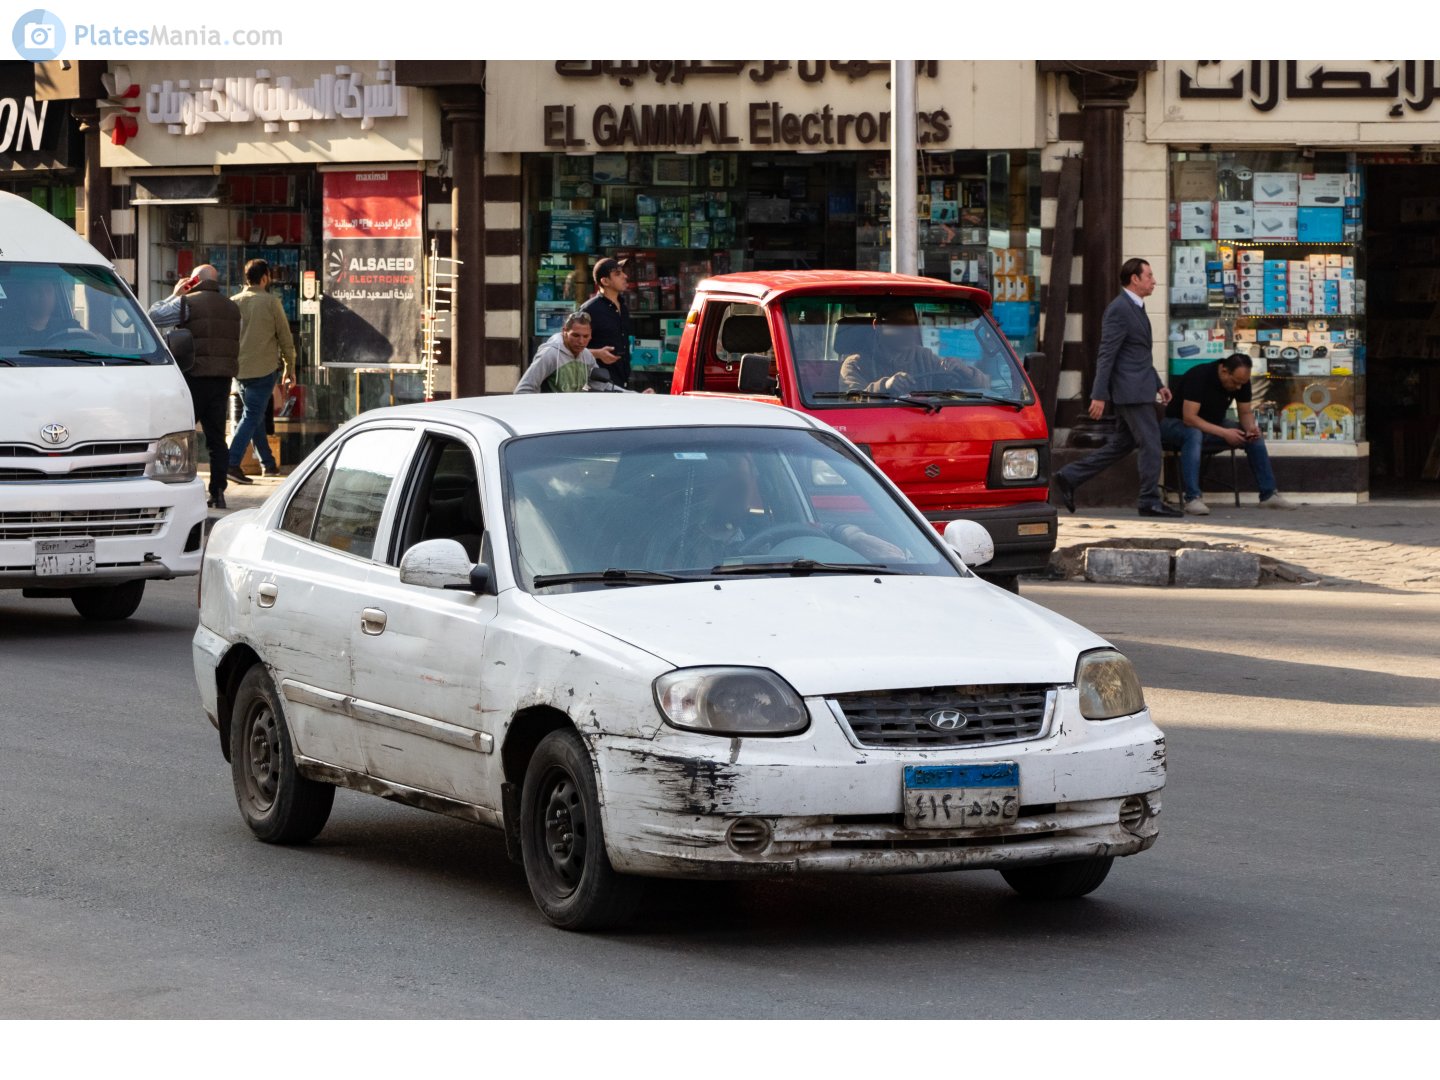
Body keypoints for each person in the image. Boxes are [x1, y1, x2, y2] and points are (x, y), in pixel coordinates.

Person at [1051, 258, 1182, 518]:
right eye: (1149, 275)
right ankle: (1148, 500)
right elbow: (1106, 354)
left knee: (1122, 444)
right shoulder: (1119, 309)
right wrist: (1098, 394)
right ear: (1135, 278)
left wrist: (1158, 384)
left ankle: (1069, 476)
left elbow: (1137, 354)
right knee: (1151, 443)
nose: (1154, 281)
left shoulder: (1137, 306)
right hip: (1130, 392)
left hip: (1140, 386)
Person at [149, 265, 241, 508]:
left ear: (194, 281)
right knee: (217, 440)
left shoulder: (188, 303)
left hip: (194, 377)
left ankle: (177, 490)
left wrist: (176, 294)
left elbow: (153, 316)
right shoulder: (232, 306)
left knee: (179, 435)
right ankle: (218, 493)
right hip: (222, 380)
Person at [1161, 353, 1297, 515]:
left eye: (1242, 384)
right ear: (1224, 371)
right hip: (1176, 424)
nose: (1238, 387)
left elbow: (1245, 413)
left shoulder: (1241, 382)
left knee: (1254, 439)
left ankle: (1268, 495)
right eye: (1235, 382)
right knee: (1193, 434)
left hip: (1214, 424)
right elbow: (1189, 419)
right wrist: (1225, 433)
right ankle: (1192, 498)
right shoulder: (1199, 376)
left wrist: (1250, 428)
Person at [225, 259, 296, 485]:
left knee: (253, 415)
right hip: (264, 369)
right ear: (265, 277)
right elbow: (285, 338)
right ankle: (231, 462)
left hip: (239, 369)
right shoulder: (271, 302)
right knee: (252, 416)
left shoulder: (233, 302)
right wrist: (289, 367)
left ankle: (268, 463)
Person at [839, 303, 990, 394]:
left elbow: (982, 388)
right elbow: (849, 402)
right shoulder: (854, 364)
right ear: (877, 326)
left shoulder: (925, 357)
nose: (908, 330)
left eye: (912, 324)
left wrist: (965, 371)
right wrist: (885, 386)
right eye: (899, 323)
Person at [580, 257, 633, 388]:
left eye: (623, 272)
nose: (625, 276)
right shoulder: (590, 309)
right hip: (599, 386)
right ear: (605, 281)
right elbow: (569, 348)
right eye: (618, 274)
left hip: (623, 381)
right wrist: (598, 353)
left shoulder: (623, 307)